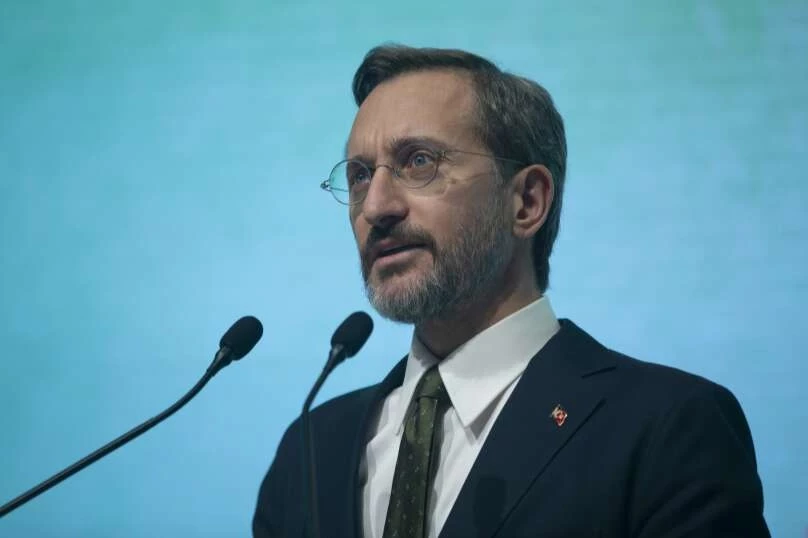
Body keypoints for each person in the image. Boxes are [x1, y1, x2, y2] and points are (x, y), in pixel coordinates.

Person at [252, 45, 769, 538]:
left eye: (419, 161)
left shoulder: (667, 428)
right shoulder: (310, 451)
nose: (375, 207)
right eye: (361, 175)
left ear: (526, 202)